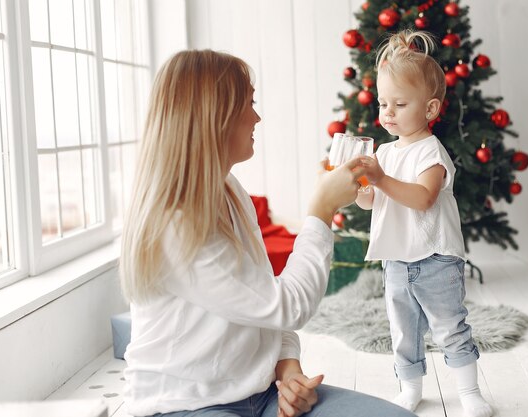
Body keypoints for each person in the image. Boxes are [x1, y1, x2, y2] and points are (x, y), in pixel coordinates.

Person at [119, 49, 415, 417]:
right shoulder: (176, 224)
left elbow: (264, 297)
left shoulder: (228, 190)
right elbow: (287, 305)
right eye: (248, 103)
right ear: (215, 117)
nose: (256, 117)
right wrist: (320, 211)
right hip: (184, 405)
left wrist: (288, 369)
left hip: (260, 394)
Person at [356, 30, 493, 417]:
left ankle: (469, 392)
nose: (387, 112)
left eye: (399, 103)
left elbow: (422, 198)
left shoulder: (430, 153)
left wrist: (380, 179)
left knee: (450, 326)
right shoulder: (383, 152)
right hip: (397, 260)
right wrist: (359, 189)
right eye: (383, 103)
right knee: (404, 331)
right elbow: (374, 202)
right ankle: (411, 388)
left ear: (430, 109)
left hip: (435, 258)